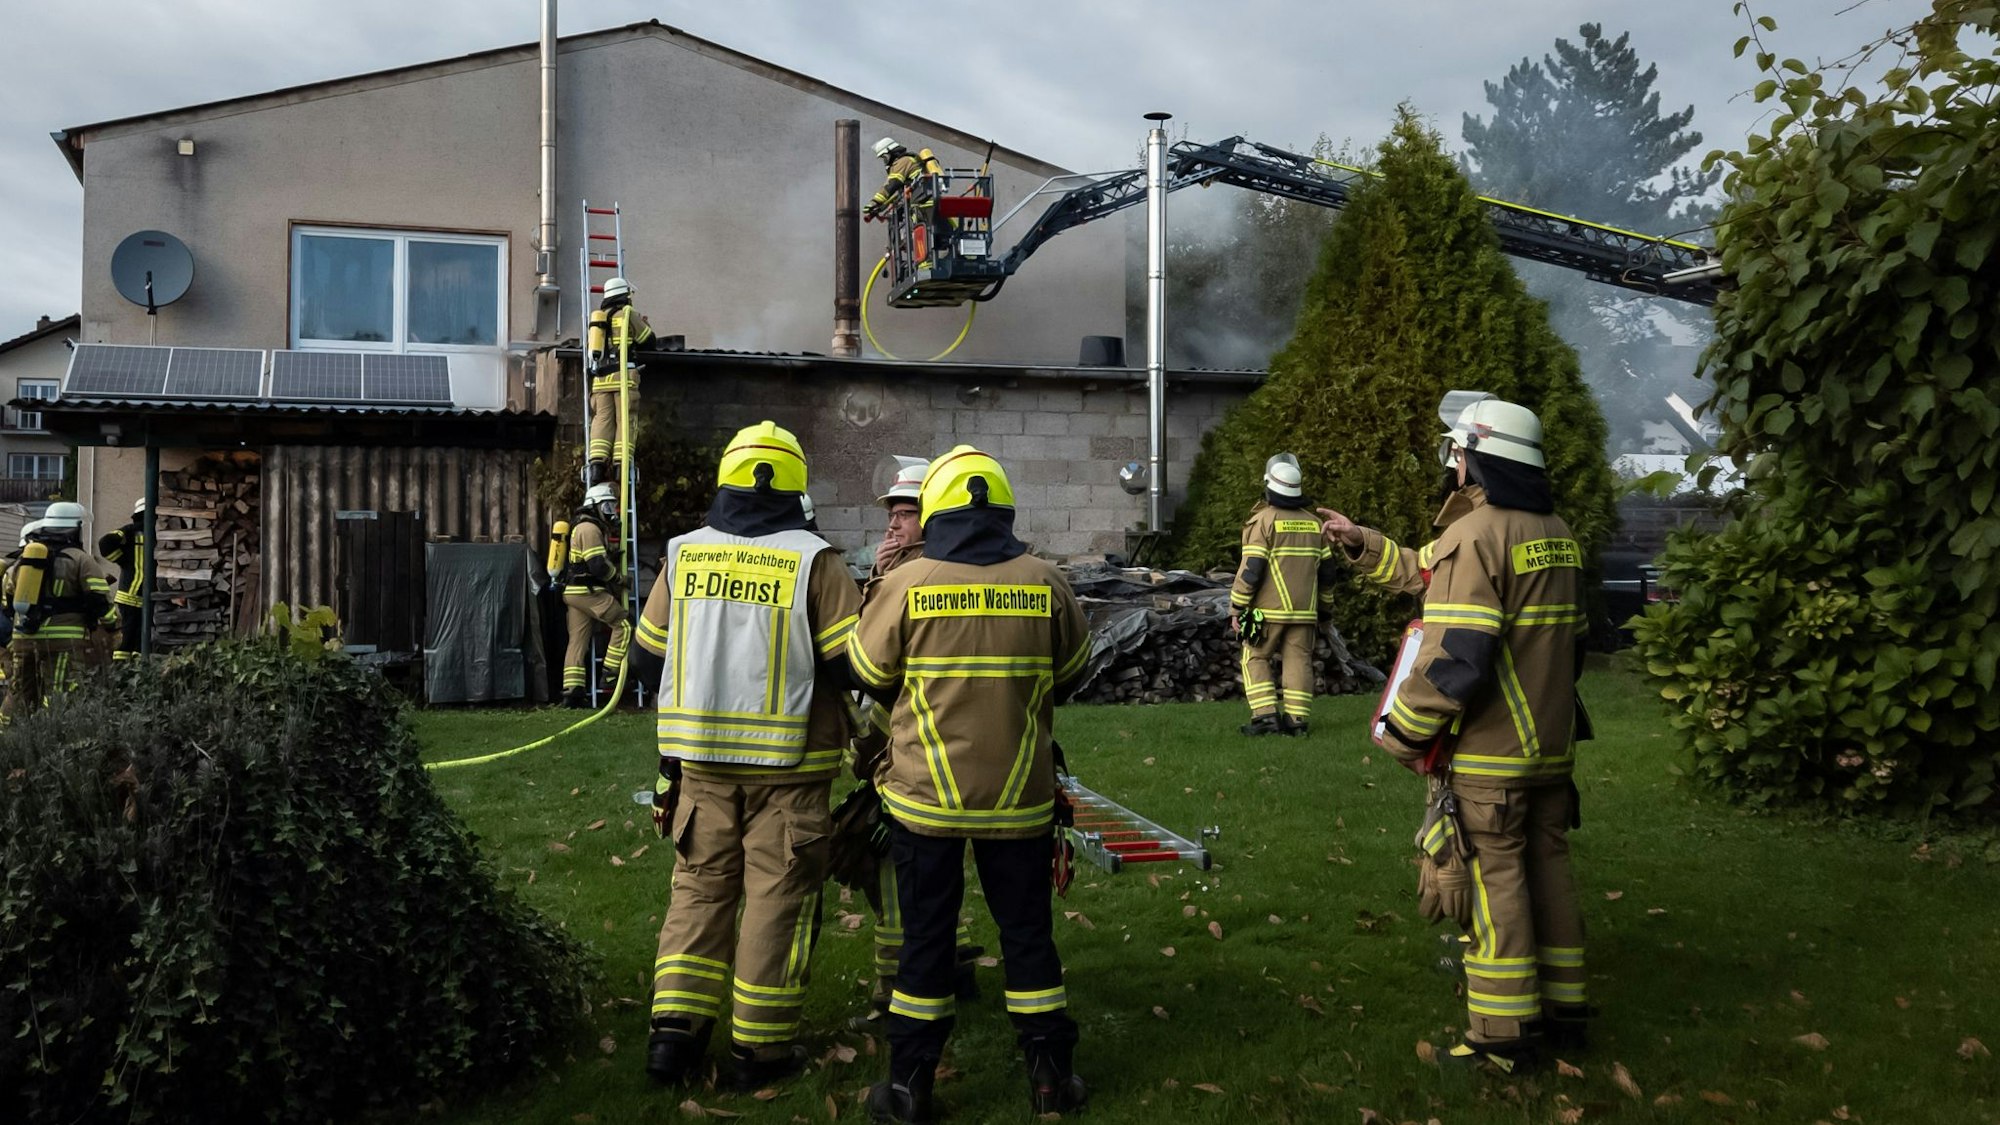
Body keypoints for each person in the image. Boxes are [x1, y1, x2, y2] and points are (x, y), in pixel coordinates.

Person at [1318, 393, 1588, 1073]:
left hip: (1492, 753)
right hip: (1549, 748)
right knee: (1545, 867)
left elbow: (1460, 653)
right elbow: (1427, 571)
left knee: (1494, 880)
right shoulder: (1556, 532)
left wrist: (1405, 733)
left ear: (1478, 459)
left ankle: (1501, 1035)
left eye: (1459, 452)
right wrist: (1363, 543)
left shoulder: (1478, 535)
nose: (1455, 464)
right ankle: (1565, 1008)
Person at [849, 445, 1094, 1121]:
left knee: (925, 938)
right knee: (1027, 935)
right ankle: (1050, 1080)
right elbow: (1075, 670)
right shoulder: (1045, 580)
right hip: (1020, 797)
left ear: (936, 511)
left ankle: (908, 1088)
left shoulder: (906, 583)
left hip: (924, 799)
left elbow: (867, 673)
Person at [629, 421, 861, 1092]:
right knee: (774, 896)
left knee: (699, 892)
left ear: (726, 480)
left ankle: (673, 1038)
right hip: (791, 772)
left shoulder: (684, 554)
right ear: (794, 487)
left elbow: (646, 656)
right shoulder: (815, 560)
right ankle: (756, 1053)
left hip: (699, 765)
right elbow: (856, 666)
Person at [842, 456, 982, 1029]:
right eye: (893, 513)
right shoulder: (905, 569)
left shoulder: (924, 577)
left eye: (907, 513)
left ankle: (896, 992)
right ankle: (954, 958)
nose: (894, 524)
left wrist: (881, 587)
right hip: (911, 744)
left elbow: (878, 667)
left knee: (895, 867)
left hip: (907, 748)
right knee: (928, 866)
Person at [1231, 454, 1339, 736]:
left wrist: (1236, 607)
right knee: (1299, 661)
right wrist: (1325, 611)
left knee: (1253, 657)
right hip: (1305, 612)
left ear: (1268, 486)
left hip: (1265, 613)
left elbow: (1251, 571)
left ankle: (1266, 718)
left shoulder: (1263, 521)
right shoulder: (1315, 524)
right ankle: (1297, 722)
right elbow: (1328, 574)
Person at [3, 503, 116, 717]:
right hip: (64, 641)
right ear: (76, 527)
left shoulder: (24, 559)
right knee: (60, 693)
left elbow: (8, 597)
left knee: (19, 694)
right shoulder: (81, 559)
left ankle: (9, 739)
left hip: (23, 639)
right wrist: (112, 626)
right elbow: (99, 600)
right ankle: (55, 737)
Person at [557, 482, 630, 708]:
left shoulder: (584, 528)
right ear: (594, 506)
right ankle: (610, 674)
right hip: (588, 592)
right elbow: (597, 566)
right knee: (624, 625)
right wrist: (619, 578)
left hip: (575, 592)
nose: (611, 512)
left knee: (577, 642)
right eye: (607, 507)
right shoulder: (589, 529)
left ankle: (573, 692)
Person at [586, 276, 655, 486]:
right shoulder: (628, 314)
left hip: (600, 381)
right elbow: (648, 342)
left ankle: (596, 465)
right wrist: (644, 324)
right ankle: (620, 467)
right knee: (625, 421)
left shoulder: (597, 318)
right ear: (624, 295)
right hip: (624, 379)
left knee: (602, 421)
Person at [97, 499, 146, 660]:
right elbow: (105, 543)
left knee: (139, 640)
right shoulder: (131, 533)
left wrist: (122, 559)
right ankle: (123, 671)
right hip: (131, 598)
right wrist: (126, 531)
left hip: (137, 597)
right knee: (129, 640)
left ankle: (131, 672)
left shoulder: (147, 533)